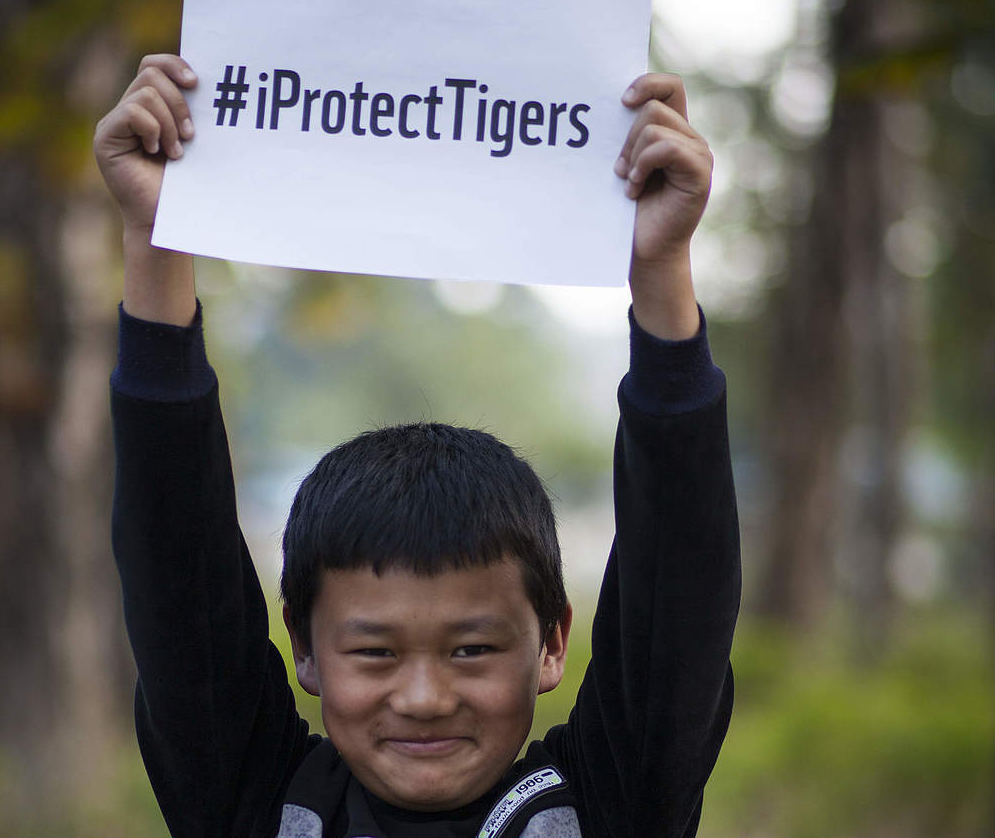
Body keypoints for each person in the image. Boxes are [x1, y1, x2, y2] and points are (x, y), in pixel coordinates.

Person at [95, 53, 740, 838]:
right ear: (304, 646)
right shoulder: (258, 798)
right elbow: (176, 565)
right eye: (373, 653)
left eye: (472, 650)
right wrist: (159, 234)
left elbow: (679, 595)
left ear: (550, 645)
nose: (425, 698)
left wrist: (660, 266)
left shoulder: (609, 803)